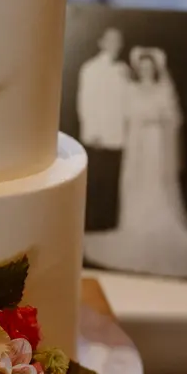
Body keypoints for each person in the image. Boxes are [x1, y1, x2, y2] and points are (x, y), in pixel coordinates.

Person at [85, 47, 187, 279]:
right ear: (138, 69)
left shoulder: (163, 88)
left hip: (155, 144)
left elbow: (173, 118)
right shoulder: (131, 89)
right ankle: (133, 223)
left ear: (155, 69)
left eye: (149, 67)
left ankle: (158, 222)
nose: (145, 70)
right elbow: (125, 113)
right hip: (135, 143)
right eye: (142, 67)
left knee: (154, 182)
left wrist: (156, 119)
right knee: (135, 182)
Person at [77, 28, 130, 230]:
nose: (115, 44)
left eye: (118, 41)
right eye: (110, 40)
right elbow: (85, 103)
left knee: (112, 180)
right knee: (96, 180)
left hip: (118, 135)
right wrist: (93, 133)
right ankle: (91, 223)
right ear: (101, 42)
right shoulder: (90, 68)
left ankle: (109, 222)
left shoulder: (123, 69)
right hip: (98, 135)